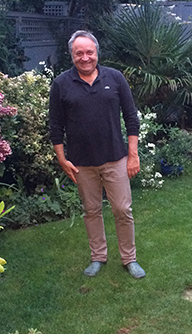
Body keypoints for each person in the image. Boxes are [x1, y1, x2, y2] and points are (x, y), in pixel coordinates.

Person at [49, 30, 146, 279]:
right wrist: (62, 158)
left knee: (123, 210)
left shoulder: (114, 78)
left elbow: (131, 118)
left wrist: (133, 155)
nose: (85, 57)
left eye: (89, 52)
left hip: (115, 157)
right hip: (82, 164)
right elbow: (55, 126)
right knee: (91, 211)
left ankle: (129, 258)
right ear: (72, 54)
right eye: (79, 53)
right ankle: (98, 256)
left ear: (97, 52)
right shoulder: (61, 84)